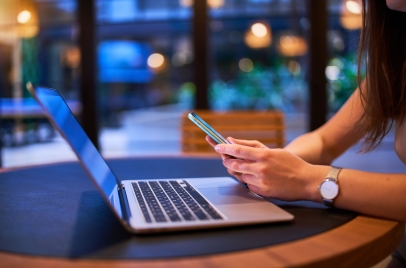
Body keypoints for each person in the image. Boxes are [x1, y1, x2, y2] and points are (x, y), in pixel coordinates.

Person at [207, 0, 406, 266]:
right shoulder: (396, 63)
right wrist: (274, 164)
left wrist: (307, 180)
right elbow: (324, 141)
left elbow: (309, 170)